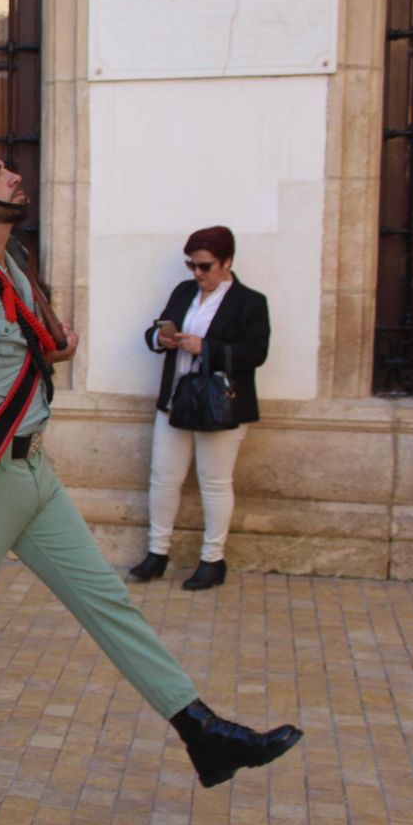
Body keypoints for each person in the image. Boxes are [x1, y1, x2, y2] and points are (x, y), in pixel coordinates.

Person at [0, 127, 300, 815]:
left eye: (6, 166)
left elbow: (13, 354)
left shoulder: (9, 268)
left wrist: (54, 346)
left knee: (108, 604)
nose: (11, 176)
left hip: (34, 473)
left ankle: (202, 732)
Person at [131, 226, 270, 591]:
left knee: (215, 483)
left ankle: (213, 559)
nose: (197, 273)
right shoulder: (184, 291)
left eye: (205, 266)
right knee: (163, 478)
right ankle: (157, 552)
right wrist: (160, 338)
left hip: (220, 406)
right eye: (192, 264)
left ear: (227, 262)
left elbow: (256, 353)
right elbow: (154, 332)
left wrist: (205, 347)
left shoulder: (250, 302)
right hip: (176, 401)